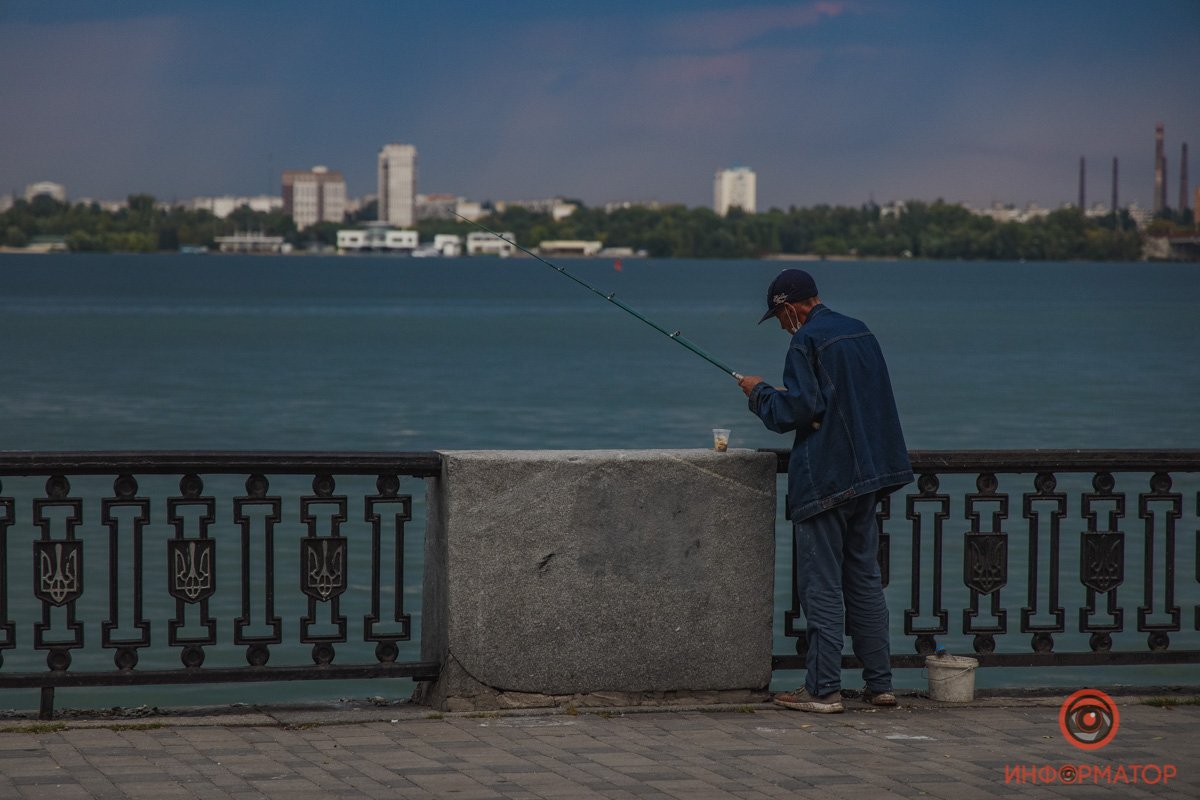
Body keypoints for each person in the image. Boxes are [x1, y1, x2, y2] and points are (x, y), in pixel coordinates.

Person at [738, 269, 912, 714]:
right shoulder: (859, 330)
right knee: (865, 581)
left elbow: (799, 409)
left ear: (792, 307)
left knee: (821, 588)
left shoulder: (806, 341)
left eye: (779, 315)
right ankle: (881, 684)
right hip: (869, 472)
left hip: (827, 477)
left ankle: (822, 689)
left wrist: (759, 394)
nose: (781, 325)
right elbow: (850, 399)